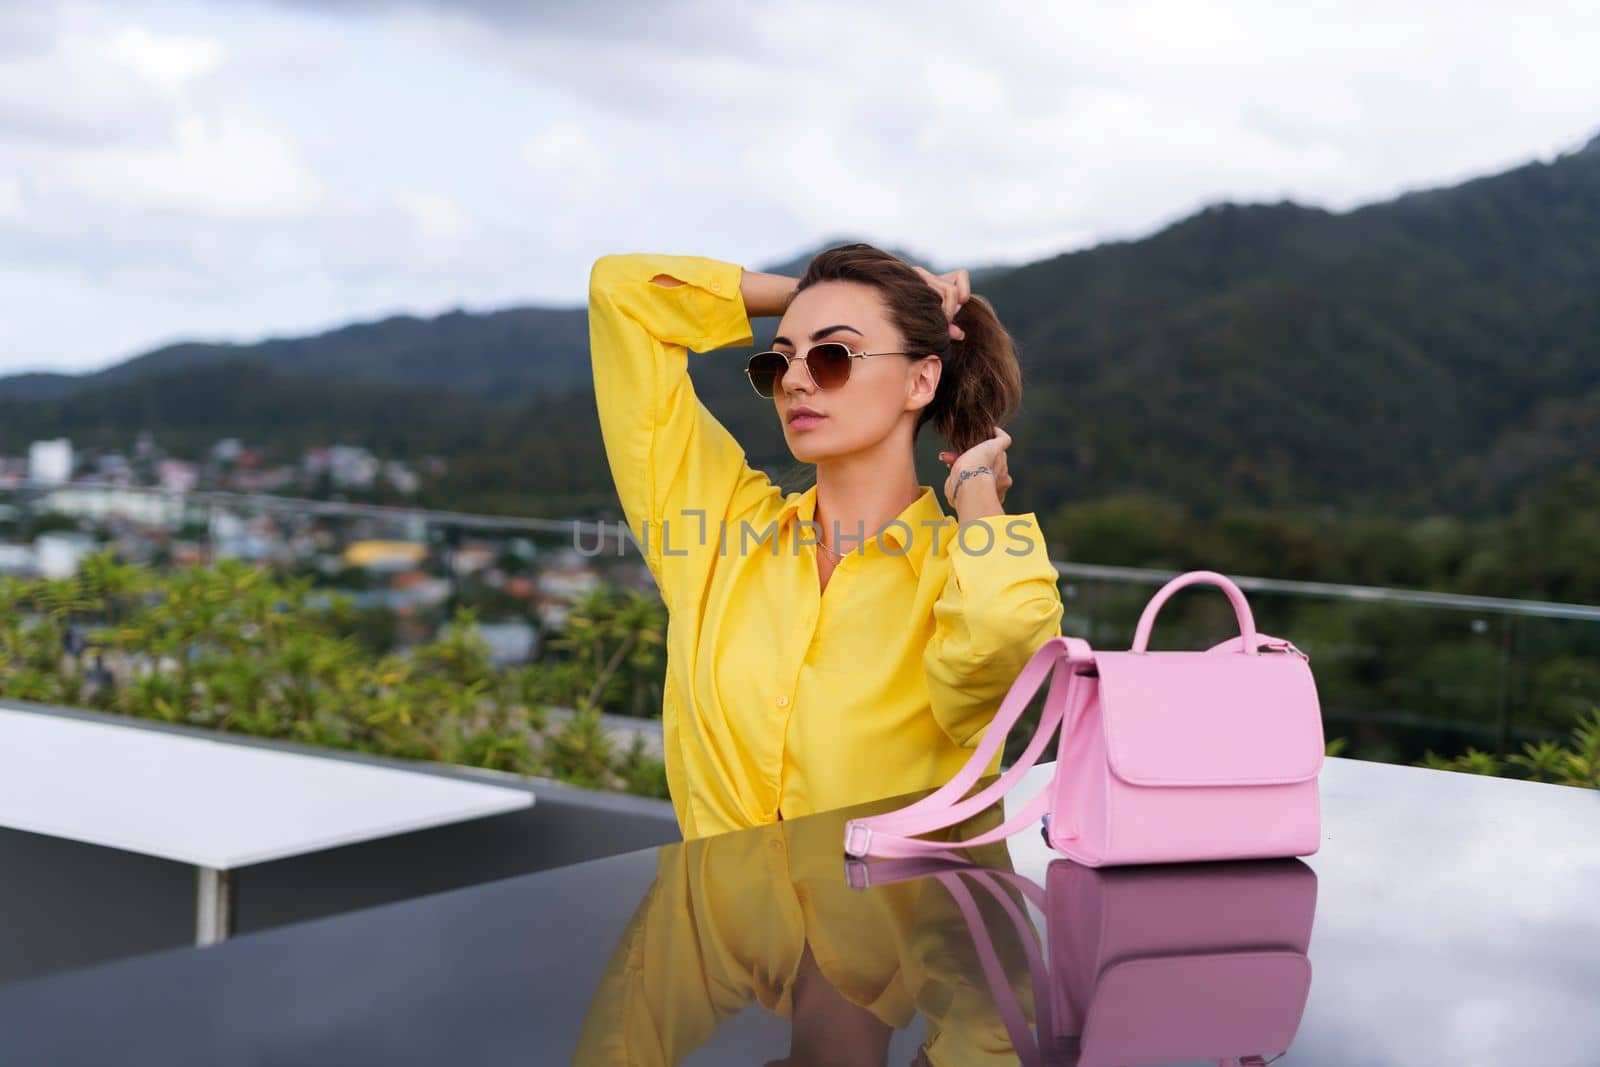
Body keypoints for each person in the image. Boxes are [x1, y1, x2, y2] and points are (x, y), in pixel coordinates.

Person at [587, 244, 1064, 839]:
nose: (793, 379)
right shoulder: (719, 535)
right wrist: (813, 299)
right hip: (720, 928)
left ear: (921, 380)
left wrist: (973, 489)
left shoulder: (959, 573)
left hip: (899, 927)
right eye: (778, 361)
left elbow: (1007, 634)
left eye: (833, 356)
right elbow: (624, 294)